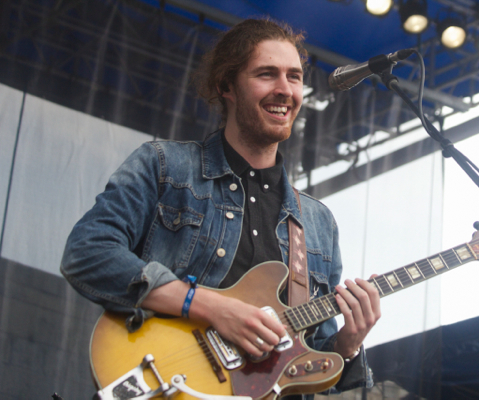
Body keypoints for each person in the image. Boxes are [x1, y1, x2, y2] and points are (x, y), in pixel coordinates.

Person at [60, 18, 380, 397]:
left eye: (294, 77)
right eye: (267, 74)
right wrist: (206, 304)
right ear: (225, 86)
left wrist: (348, 344)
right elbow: (87, 252)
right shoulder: (164, 166)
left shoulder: (317, 222)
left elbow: (310, 368)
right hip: (163, 380)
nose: (285, 90)